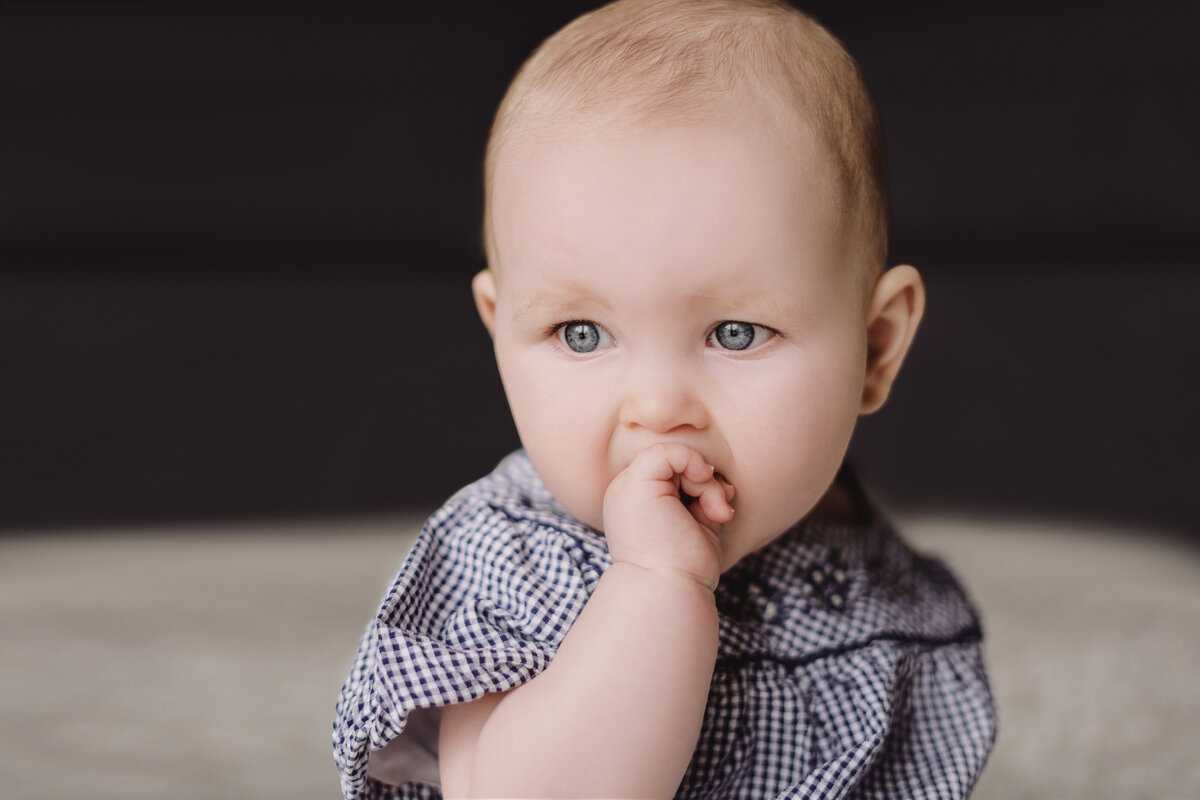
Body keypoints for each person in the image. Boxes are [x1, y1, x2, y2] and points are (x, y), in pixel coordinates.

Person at [333, 1, 996, 797]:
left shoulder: (870, 570)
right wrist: (658, 585)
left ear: (875, 348)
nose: (657, 406)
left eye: (736, 333)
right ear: (500, 331)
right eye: (581, 334)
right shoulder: (514, 564)